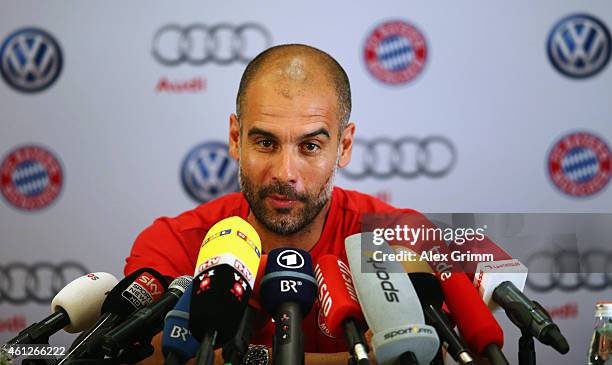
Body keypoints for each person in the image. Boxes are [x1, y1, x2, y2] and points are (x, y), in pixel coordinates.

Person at [126, 44, 412, 365]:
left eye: (310, 146)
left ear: (344, 146)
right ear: (236, 138)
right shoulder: (175, 241)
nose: (284, 173)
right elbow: (142, 356)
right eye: (265, 143)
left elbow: (433, 350)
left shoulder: (397, 236)